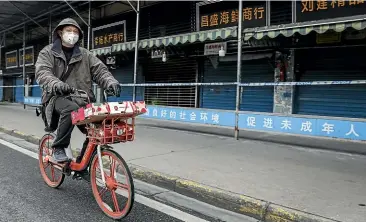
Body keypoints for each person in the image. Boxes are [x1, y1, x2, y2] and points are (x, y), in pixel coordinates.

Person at [35, 18, 121, 163]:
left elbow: (100, 71)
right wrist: (57, 84)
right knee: (71, 109)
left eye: (75, 32)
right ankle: (59, 147)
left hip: (83, 100)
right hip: (56, 98)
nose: (72, 34)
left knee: (98, 132)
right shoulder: (48, 52)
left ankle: (84, 163)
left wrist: (110, 82)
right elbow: (42, 73)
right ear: (60, 32)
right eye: (69, 31)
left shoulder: (85, 54)